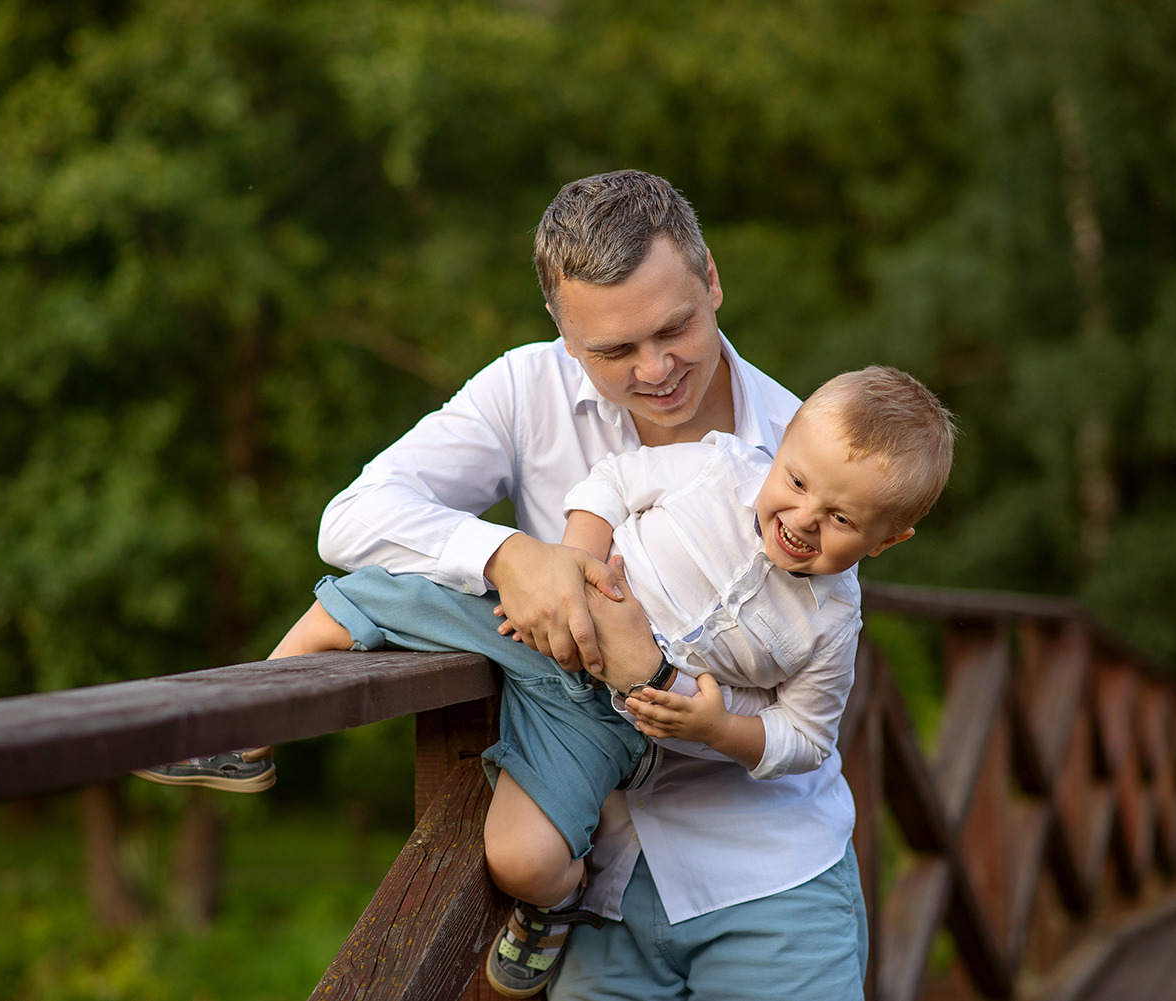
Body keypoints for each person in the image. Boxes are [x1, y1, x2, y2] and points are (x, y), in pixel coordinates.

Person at [145, 169, 886, 1000]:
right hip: (596, 877)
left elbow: (805, 692)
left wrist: (653, 675)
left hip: (771, 874)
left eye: (674, 327)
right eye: (614, 350)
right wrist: (507, 555)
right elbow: (351, 519)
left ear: (711, 278)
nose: (657, 368)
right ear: (563, 333)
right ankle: (246, 726)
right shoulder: (524, 390)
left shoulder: (815, 459)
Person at [281, 365, 953, 997]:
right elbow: (611, 482)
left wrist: (719, 727)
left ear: (887, 540)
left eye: (841, 519)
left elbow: (805, 737)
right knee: (407, 597)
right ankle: (267, 700)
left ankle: (555, 898)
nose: (804, 519)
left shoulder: (830, 622)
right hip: (553, 642)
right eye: (797, 482)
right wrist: (569, 565)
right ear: (781, 448)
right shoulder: (715, 466)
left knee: (523, 855)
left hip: (634, 748)